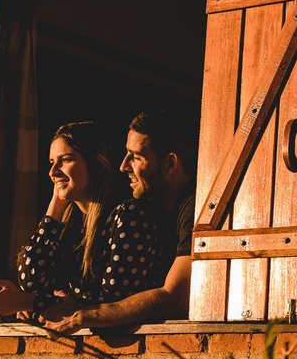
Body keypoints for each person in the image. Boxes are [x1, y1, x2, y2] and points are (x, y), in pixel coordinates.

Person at [0, 121, 171, 318]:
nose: (53, 172)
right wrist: (56, 204)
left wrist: (31, 303)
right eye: (52, 162)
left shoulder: (130, 215)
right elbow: (31, 280)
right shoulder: (72, 224)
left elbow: (114, 304)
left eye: (66, 160)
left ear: (98, 165)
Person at [34, 109, 197, 333]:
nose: (123, 166)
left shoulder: (194, 210)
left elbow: (175, 297)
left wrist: (85, 315)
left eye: (137, 157)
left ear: (170, 164)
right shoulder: (153, 210)